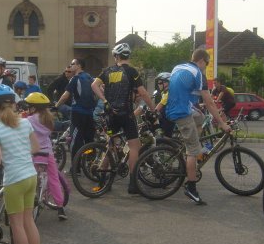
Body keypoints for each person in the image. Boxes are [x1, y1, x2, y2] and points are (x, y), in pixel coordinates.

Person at [0, 83, 44, 244]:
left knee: (16, 224)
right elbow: (35, 147)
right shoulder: (25, 123)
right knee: (29, 221)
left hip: (14, 180)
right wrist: (20, 153)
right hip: (30, 176)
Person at [165, 47, 231, 205]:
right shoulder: (198, 74)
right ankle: (191, 187)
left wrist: (199, 105)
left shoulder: (179, 67)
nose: (206, 67)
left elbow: (185, 91)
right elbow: (209, 102)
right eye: (207, 64)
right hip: (182, 113)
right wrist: (222, 123)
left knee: (201, 118)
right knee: (193, 151)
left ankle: (193, 143)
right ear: (201, 60)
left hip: (177, 108)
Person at [91, 43, 155, 194]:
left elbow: (94, 85)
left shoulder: (107, 71)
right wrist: (153, 109)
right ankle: (133, 183)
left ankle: (102, 180)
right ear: (127, 56)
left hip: (110, 114)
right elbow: (143, 93)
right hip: (126, 114)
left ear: (116, 56)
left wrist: (105, 100)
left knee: (110, 145)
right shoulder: (132, 71)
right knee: (134, 146)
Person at [25, 92, 67, 220]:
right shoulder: (49, 119)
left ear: (33, 107)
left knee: (31, 179)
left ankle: (30, 204)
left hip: (33, 152)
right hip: (47, 153)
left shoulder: (29, 120)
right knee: (54, 179)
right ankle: (60, 208)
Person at [55, 58, 96, 169]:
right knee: (89, 140)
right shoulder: (90, 77)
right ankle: (91, 165)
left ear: (78, 66)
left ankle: (75, 168)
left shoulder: (75, 78)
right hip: (89, 113)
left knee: (76, 140)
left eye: (72, 64)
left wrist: (56, 106)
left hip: (78, 113)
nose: (70, 66)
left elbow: (65, 95)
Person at [154, 72, 175, 138]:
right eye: (158, 83)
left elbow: (159, 107)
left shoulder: (168, 93)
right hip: (168, 117)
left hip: (169, 119)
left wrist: (152, 114)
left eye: (160, 83)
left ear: (167, 83)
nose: (158, 85)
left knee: (165, 137)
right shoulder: (164, 92)